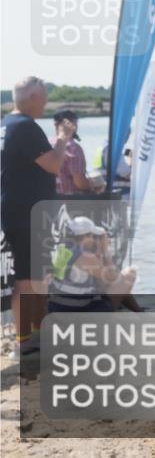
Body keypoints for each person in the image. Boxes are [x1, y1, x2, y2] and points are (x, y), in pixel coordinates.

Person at [1, 77, 73, 356]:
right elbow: (53, 165)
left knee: (30, 274)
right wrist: (64, 139)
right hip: (26, 210)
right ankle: (27, 338)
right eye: (43, 97)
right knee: (30, 276)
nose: (45, 103)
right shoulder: (25, 127)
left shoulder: (7, 124)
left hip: (16, 207)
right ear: (31, 96)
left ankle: (31, 335)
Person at [48, 216, 137, 313]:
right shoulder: (85, 257)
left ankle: (139, 311)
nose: (95, 240)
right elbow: (113, 278)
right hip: (77, 311)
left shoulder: (63, 249)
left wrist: (98, 251)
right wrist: (105, 250)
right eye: (94, 237)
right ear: (86, 237)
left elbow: (100, 282)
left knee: (103, 284)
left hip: (58, 308)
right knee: (130, 273)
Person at [51, 110, 92, 195]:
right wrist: (92, 189)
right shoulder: (73, 148)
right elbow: (79, 180)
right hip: (71, 202)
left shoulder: (46, 144)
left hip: (49, 201)